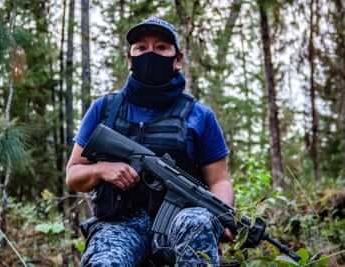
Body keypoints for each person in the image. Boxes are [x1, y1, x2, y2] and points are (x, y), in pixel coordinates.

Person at [66, 16, 234, 267]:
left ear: (178, 59)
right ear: (130, 59)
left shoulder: (200, 116)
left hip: (181, 223)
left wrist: (221, 216)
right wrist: (103, 169)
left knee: (198, 221)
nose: (150, 54)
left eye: (161, 47)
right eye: (141, 48)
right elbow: (73, 175)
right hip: (120, 223)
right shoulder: (105, 109)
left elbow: (219, 180)